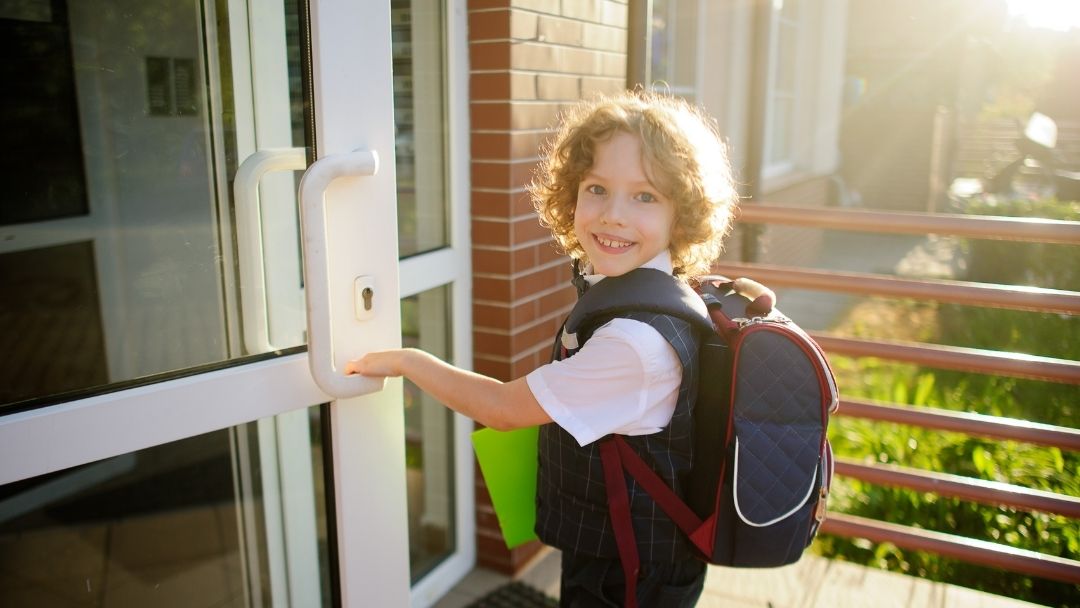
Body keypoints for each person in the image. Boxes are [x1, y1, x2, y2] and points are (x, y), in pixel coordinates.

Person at [346, 90, 738, 607]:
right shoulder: (644, 292)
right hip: (626, 552)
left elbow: (503, 409)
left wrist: (407, 360)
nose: (613, 215)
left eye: (645, 196)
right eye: (597, 188)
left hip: (629, 576)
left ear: (681, 216)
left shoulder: (635, 343)